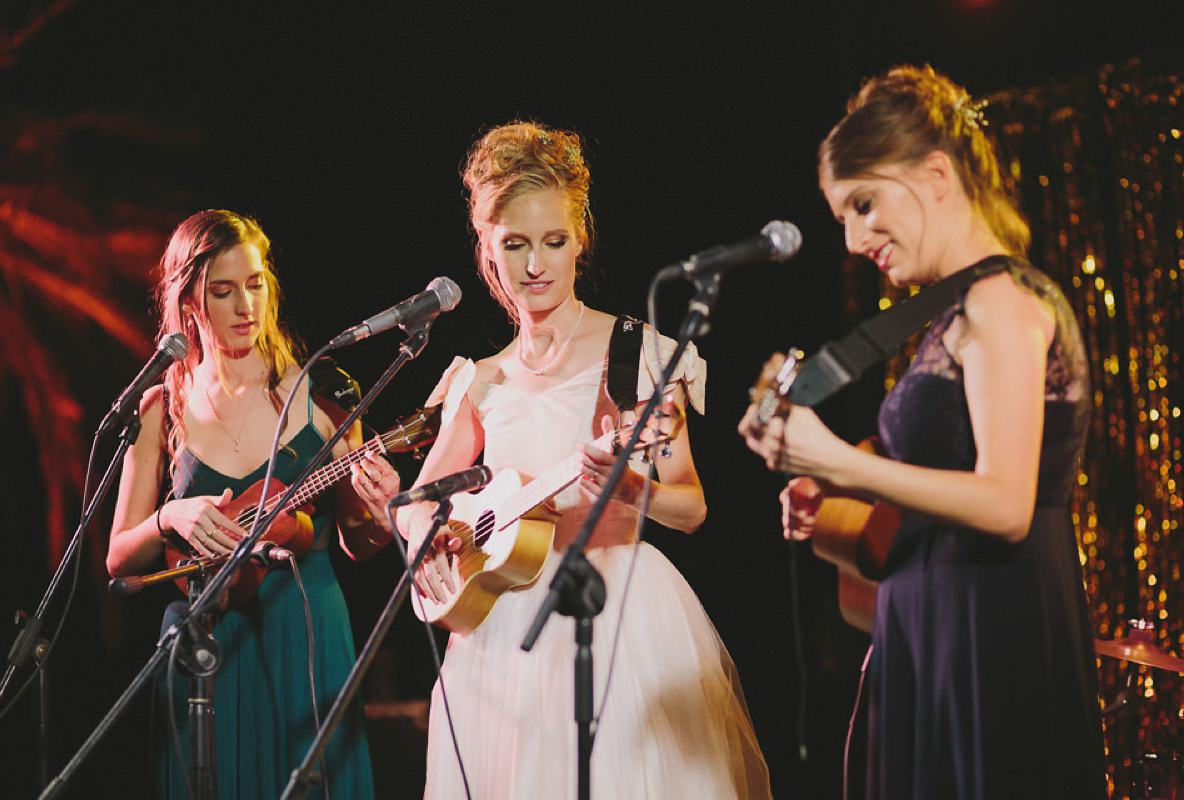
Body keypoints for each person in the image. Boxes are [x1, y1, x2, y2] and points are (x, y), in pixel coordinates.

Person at [365, 121, 772, 799]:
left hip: (612, 615)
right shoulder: (479, 376)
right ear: (487, 253)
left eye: (553, 242)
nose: (535, 265)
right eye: (515, 246)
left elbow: (691, 506)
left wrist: (629, 485)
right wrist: (427, 537)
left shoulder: (637, 354)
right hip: (497, 634)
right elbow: (418, 505)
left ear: (581, 238)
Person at [740, 65, 1107, 799]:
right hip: (933, 615)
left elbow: (1006, 504)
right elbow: (946, 472)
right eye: (843, 214)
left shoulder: (1003, 302)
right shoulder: (951, 312)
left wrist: (846, 460)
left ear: (937, 175)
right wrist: (834, 481)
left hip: (987, 622)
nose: (852, 238)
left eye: (864, 204)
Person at [107, 209, 400, 799]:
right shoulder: (159, 406)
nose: (246, 305)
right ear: (190, 301)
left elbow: (359, 542)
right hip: (206, 649)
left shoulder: (324, 393)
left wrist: (385, 509)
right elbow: (119, 559)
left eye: (256, 283)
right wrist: (169, 516)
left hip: (308, 637)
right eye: (223, 290)